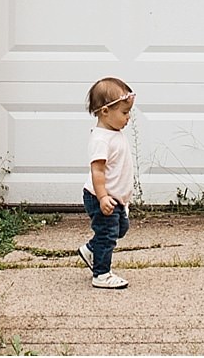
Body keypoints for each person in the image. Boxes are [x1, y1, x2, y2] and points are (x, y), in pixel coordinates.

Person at [78, 77, 136, 290]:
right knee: (108, 234)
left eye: (129, 112)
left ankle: (91, 250)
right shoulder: (101, 139)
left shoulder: (114, 133)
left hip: (115, 198)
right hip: (100, 197)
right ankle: (101, 274)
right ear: (104, 112)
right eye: (124, 112)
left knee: (120, 229)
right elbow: (98, 171)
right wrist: (102, 197)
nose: (128, 117)